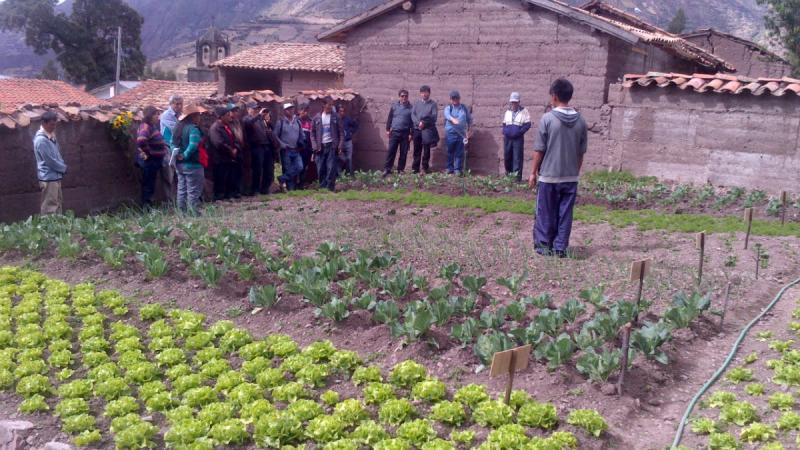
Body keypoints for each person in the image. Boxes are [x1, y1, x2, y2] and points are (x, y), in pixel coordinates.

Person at [529, 78, 588, 258]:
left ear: (554, 96)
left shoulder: (547, 119)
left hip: (549, 177)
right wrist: (574, 172)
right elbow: (581, 153)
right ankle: (560, 248)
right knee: (565, 214)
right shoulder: (581, 121)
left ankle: (544, 246)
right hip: (570, 177)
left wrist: (532, 173)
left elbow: (539, 150)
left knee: (545, 212)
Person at [172, 104, 207, 214]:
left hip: (179, 165)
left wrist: (177, 155)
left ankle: (182, 212)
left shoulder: (178, 128)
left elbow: (172, 143)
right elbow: (193, 145)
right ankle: (193, 212)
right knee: (193, 190)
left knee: (181, 189)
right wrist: (185, 155)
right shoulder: (193, 129)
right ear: (193, 116)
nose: (199, 117)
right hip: (193, 164)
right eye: (198, 115)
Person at [33, 111, 67, 215]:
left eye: (55, 124)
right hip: (48, 177)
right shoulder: (41, 140)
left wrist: (61, 167)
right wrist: (63, 168)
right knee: (50, 207)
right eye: (52, 124)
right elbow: (50, 161)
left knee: (57, 203)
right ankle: (48, 225)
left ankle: (58, 224)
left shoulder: (50, 136)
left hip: (55, 176)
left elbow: (57, 154)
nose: (54, 127)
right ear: (44, 123)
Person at [136, 106, 169, 207]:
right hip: (149, 161)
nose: (158, 117)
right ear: (150, 116)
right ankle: (146, 207)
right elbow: (141, 140)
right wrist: (148, 152)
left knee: (150, 182)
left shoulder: (151, 126)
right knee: (148, 184)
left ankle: (148, 204)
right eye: (156, 114)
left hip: (154, 160)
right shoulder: (145, 127)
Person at [243, 105, 279, 195]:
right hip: (256, 147)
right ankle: (255, 190)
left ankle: (265, 189)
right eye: (254, 109)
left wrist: (267, 121)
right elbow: (249, 124)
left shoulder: (261, 120)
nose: (256, 110)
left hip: (267, 146)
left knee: (269, 169)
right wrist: (259, 115)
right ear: (248, 109)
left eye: (257, 109)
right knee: (257, 169)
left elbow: (271, 129)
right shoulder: (246, 119)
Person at [312, 98, 344, 191]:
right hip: (320, 147)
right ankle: (322, 188)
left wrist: (340, 145)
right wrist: (314, 146)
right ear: (324, 105)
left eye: (331, 105)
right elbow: (312, 133)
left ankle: (330, 188)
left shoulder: (336, 117)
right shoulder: (317, 117)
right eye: (329, 105)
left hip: (332, 146)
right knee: (320, 168)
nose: (330, 107)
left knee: (331, 168)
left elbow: (341, 132)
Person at [209, 106, 241, 201]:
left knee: (230, 177)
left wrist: (236, 148)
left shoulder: (227, 127)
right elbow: (219, 143)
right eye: (227, 115)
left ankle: (229, 195)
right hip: (220, 158)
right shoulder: (215, 128)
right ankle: (219, 197)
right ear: (221, 117)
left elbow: (235, 139)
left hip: (229, 157)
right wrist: (230, 150)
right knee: (220, 178)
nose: (230, 117)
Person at [502, 92, 531, 182]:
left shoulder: (524, 111)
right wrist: (505, 131)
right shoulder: (507, 112)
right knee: (507, 156)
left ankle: (516, 179)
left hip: (518, 139)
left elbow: (527, 124)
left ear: (519, 102)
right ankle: (509, 177)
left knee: (517, 158)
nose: (514, 104)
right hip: (507, 138)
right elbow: (504, 124)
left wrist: (519, 132)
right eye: (512, 102)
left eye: (515, 102)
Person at [275, 103, 305, 191]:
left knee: (299, 166)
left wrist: (301, 141)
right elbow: (275, 136)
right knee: (287, 168)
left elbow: (302, 134)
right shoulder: (280, 122)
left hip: (296, 149)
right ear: (285, 111)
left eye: (292, 109)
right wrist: (282, 145)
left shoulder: (297, 122)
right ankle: (290, 189)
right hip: (285, 150)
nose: (291, 110)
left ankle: (282, 178)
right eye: (288, 109)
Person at [384, 89, 413, 176]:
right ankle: (387, 169)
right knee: (391, 151)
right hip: (395, 132)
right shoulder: (394, 106)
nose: (404, 97)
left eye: (406, 96)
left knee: (403, 153)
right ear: (399, 97)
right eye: (402, 96)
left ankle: (400, 170)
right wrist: (387, 130)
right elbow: (390, 118)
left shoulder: (411, 108)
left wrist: (411, 134)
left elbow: (412, 122)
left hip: (405, 133)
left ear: (408, 97)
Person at [443, 90, 472, 176]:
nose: (455, 100)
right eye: (453, 98)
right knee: (450, 151)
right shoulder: (449, 108)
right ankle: (449, 168)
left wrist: (469, 130)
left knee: (459, 152)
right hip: (450, 134)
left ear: (459, 98)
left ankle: (457, 170)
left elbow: (469, 119)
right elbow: (447, 115)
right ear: (450, 99)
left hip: (461, 134)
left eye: (456, 98)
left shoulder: (463, 108)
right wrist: (452, 119)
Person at [411, 85, 438, 174]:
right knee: (417, 149)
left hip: (427, 130)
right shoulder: (416, 103)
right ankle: (415, 169)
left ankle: (424, 168)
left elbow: (434, 117)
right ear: (420, 94)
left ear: (429, 93)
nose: (424, 94)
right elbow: (413, 115)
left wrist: (424, 123)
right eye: (422, 92)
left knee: (426, 150)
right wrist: (418, 123)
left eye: (426, 92)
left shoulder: (433, 104)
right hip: (417, 129)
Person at [338, 105, 359, 177]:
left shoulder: (348, 119)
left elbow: (356, 125)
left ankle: (349, 175)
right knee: (340, 159)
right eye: (340, 111)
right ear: (338, 112)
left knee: (349, 159)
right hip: (339, 143)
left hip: (348, 142)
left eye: (343, 111)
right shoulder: (336, 120)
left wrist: (351, 131)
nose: (342, 113)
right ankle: (340, 175)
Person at [298, 104, 315, 186]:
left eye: (306, 111)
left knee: (305, 166)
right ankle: (295, 183)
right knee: (299, 166)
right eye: (303, 111)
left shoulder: (310, 121)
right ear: (299, 111)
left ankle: (302, 183)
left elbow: (312, 136)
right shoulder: (296, 121)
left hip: (308, 149)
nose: (305, 113)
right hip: (298, 149)